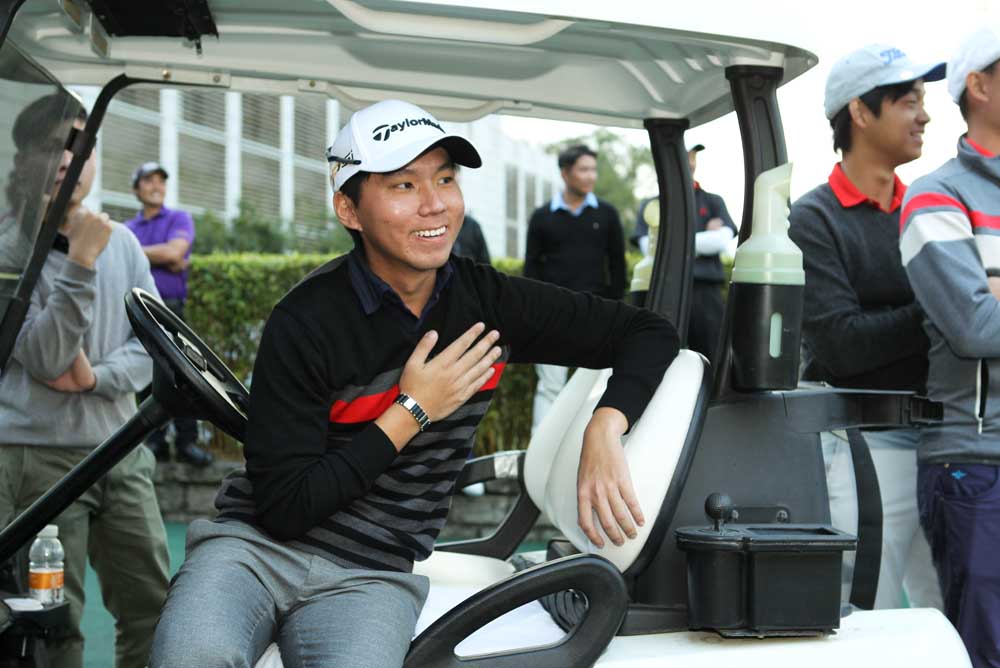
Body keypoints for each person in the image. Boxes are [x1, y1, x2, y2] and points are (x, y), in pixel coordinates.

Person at [149, 99, 678, 667]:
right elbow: (284, 510)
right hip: (253, 550)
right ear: (349, 210)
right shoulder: (305, 320)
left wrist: (607, 424)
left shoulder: (488, 303)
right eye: (403, 185)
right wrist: (414, 409)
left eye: (445, 179)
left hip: (373, 573)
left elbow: (648, 332)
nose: (436, 204)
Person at [0, 95, 169, 668]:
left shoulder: (122, 242)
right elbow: (47, 356)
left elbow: (153, 347)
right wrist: (81, 263)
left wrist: (95, 377)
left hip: (118, 448)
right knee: (53, 625)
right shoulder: (8, 249)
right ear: (24, 160)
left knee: (153, 609)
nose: (70, 160)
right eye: (53, 147)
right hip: (38, 461)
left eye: (81, 145)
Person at [787, 44, 945, 612]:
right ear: (859, 112)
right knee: (864, 617)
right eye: (908, 102)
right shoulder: (812, 219)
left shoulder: (930, 209)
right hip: (865, 448)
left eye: (923, 101)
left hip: (946, 442)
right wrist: (942, 307)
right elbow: (843, 345)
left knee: (954, 614)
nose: (924, 115)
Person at [899, 28, 1000, 668]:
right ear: (980, 85)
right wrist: (986, 300)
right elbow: (974, 328)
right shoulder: (935, 194)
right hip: (976, 461)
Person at [524, 144, 626, 432]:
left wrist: (614, 312)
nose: (591, 176)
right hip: (551, 315)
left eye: (593, 169)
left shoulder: (607, 215)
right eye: (584, 169)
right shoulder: (542, 217)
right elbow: (531, 269)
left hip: (596, 315)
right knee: (549, 388)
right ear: (566, 173)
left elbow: (617, 267)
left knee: (595, 388)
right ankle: (537, 458)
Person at [125, 162, 213, 467]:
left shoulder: (178, 218)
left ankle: (187, 443)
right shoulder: (128, 228)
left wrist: (137, 251)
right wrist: (160, 254)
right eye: (148, 181)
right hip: (138, 310)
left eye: (161, 181)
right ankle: (155, 442)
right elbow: (168, 257)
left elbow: (175, 254)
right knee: (144, 377)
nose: (156, 186)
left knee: (183, 375)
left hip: (171, 310)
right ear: (136, 189)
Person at [631, 144, 736, 364]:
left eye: (693, 156)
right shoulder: (651, 205)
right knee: (658, 359)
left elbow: (722, 239)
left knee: (713, 360)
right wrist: (702, 239)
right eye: (684, 155)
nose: (689, 161)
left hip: (705, 294)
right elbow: (650, 249)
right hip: (663, 291)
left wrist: (671, 242)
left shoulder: (713, 201)